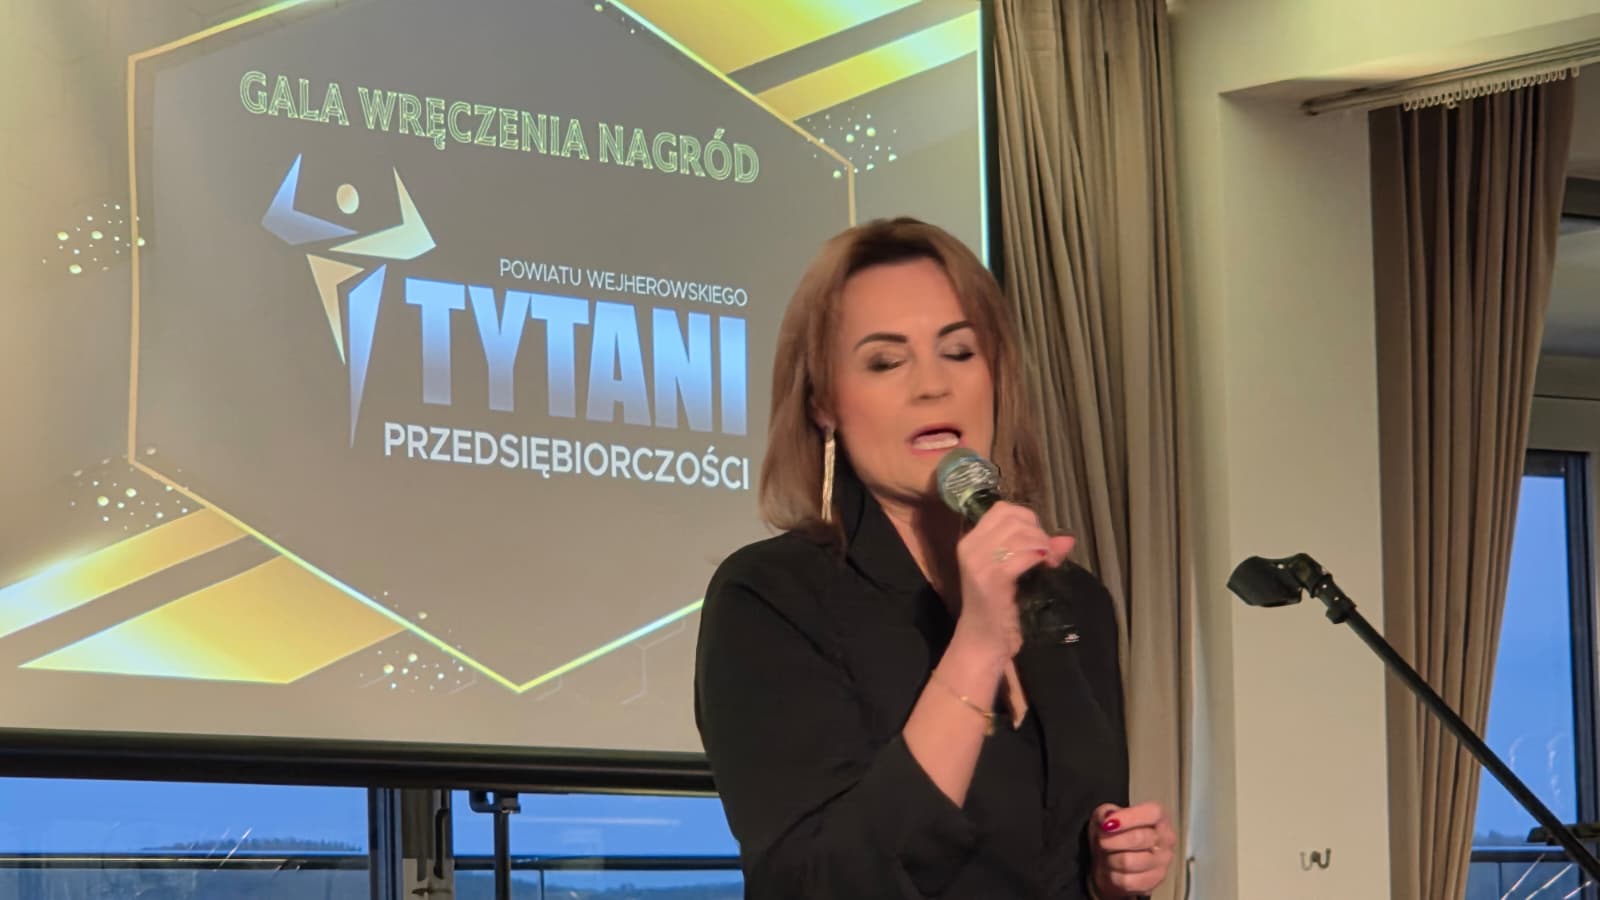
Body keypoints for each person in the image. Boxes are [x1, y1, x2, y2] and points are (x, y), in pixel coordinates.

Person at [694, 217, 1176, 899]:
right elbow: (816, 884)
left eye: (958, 351)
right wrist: (978, 645)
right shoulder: (770, 597)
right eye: (886, 362)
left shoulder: (1074, 601)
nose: (932, 385)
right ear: (824, 403)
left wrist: (1107, 879)